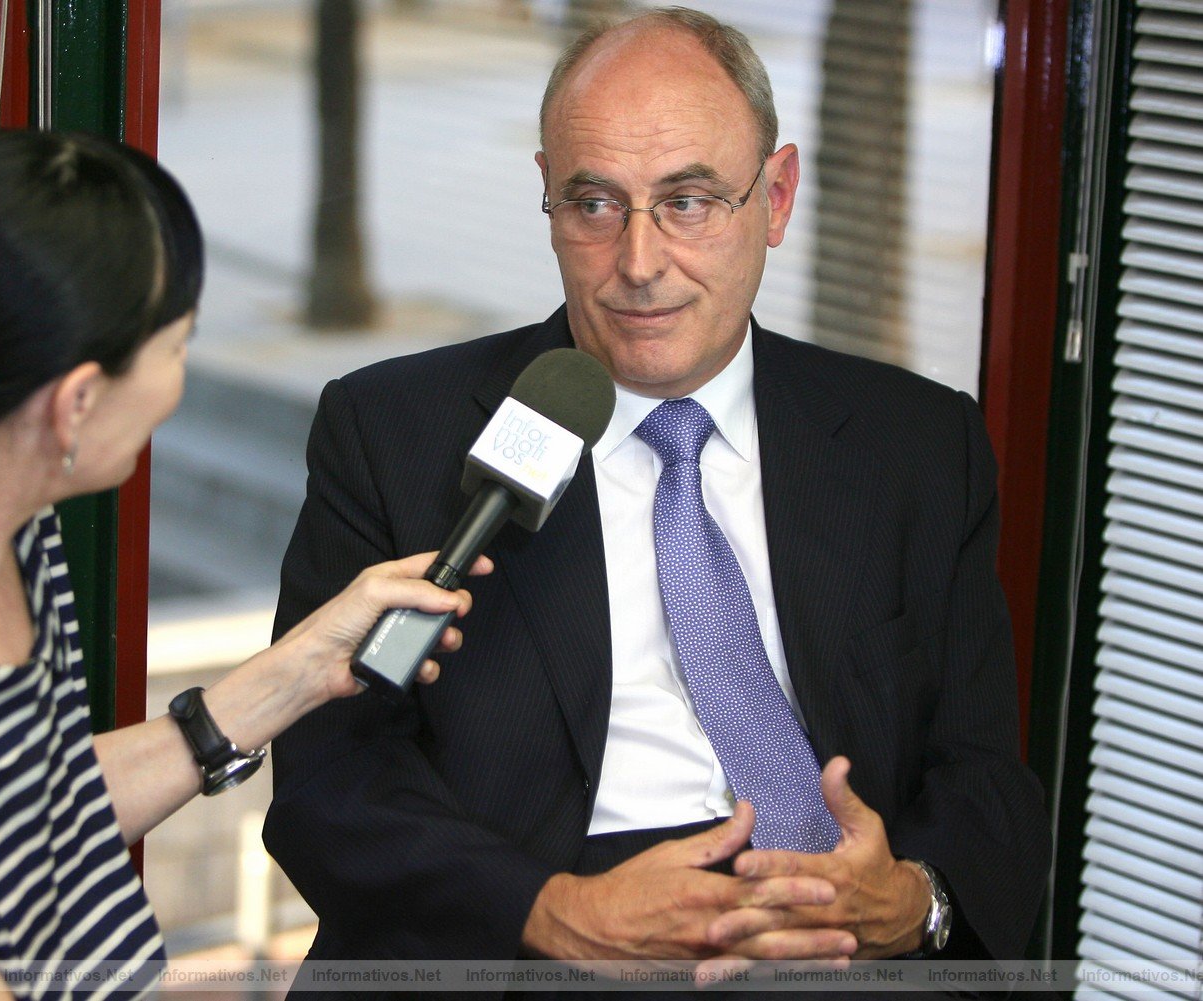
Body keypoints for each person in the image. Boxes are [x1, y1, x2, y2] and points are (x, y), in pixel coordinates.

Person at [264, 5, 1049, 992]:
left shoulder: (916, 444)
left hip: (828, 939)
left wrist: (914, 899)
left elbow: (986, 776)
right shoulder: (396, 432)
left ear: (776, 196)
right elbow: (328, 781)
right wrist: (550, 911)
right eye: (594, 203)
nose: (638, 264)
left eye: (688, 202)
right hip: (531, 943)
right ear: (546, 197)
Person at [0, 130, 486, 997]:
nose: (181, 378)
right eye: (178, 345)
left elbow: (15, 818)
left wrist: (298, 673)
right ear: (75, 402)